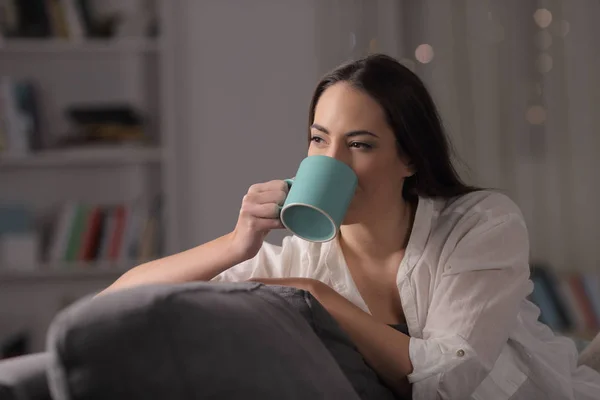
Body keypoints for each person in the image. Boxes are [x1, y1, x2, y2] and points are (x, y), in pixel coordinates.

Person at [99, 54, 600, 399]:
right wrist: (237, 245)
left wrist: (317, 297)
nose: (333, 162)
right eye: (319, 140)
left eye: (359, 145)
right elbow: (113, 308)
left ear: (408, 157)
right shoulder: (296, 260)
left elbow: (449, 381)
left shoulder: (481, 223)